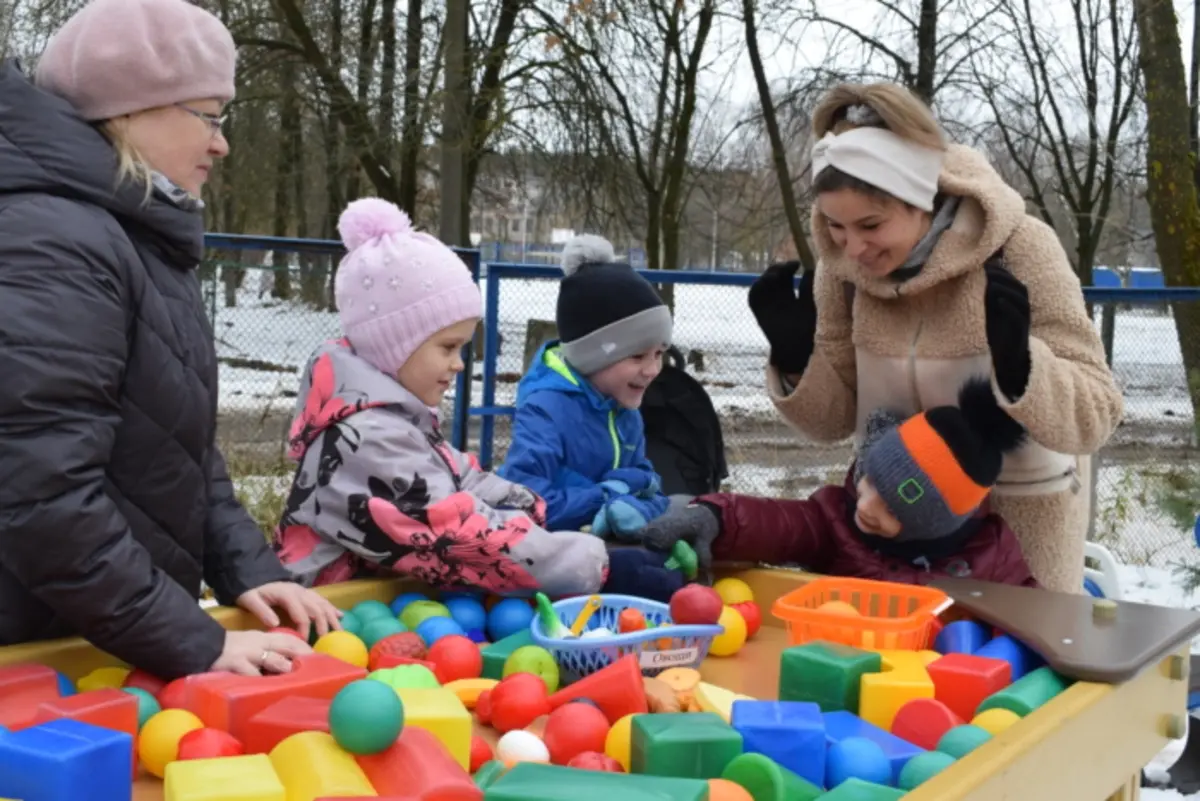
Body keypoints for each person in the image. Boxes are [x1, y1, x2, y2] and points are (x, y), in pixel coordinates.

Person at [0, 0, 340, 681]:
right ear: (130, 109)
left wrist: (244, 567)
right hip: (35, 664)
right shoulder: (57, 241)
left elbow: (172, 447)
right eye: (209, 116)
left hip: (98, 643)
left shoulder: (131, 235)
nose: (222, 143)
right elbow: (41, 495)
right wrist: (196, 639)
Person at [748, 82, 1123, 593]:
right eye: (835, 226)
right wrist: (795, 362)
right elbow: (832, 422)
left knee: (1007, 669)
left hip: (1019, 543)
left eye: (871, 224)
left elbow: (1096, 415)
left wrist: (1023, 370)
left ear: (923, 199)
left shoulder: (1019, 248)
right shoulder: (842, 271)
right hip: (889, 529)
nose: (852, 247)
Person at [273, 199, 693, 602]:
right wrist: (601, 564)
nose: (459, 364)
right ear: (394, 344)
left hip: (373, 608)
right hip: (326, 624)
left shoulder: (396, 421)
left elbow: (468, 481)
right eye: (448, 347)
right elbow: (462, 536)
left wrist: (541, 511)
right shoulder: (365, 439)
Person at [641, 378, 1038, 588]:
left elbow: (1032, 618)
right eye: (869, 482)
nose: (866, 506)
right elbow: (778, 525)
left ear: (933, 526)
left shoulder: (992, 560)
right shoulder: (838, 522)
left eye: (892, 508)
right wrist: (716, 516)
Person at [498, 234, 675, 538]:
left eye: (659, 353)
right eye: (636, 356)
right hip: (547, 554)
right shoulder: (546, 410)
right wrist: (606, 497)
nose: (652, 370)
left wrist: (634, 501)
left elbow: (646, 484)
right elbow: (524, 501)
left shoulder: (624, 408)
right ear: (592, 355)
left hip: (601, 545)